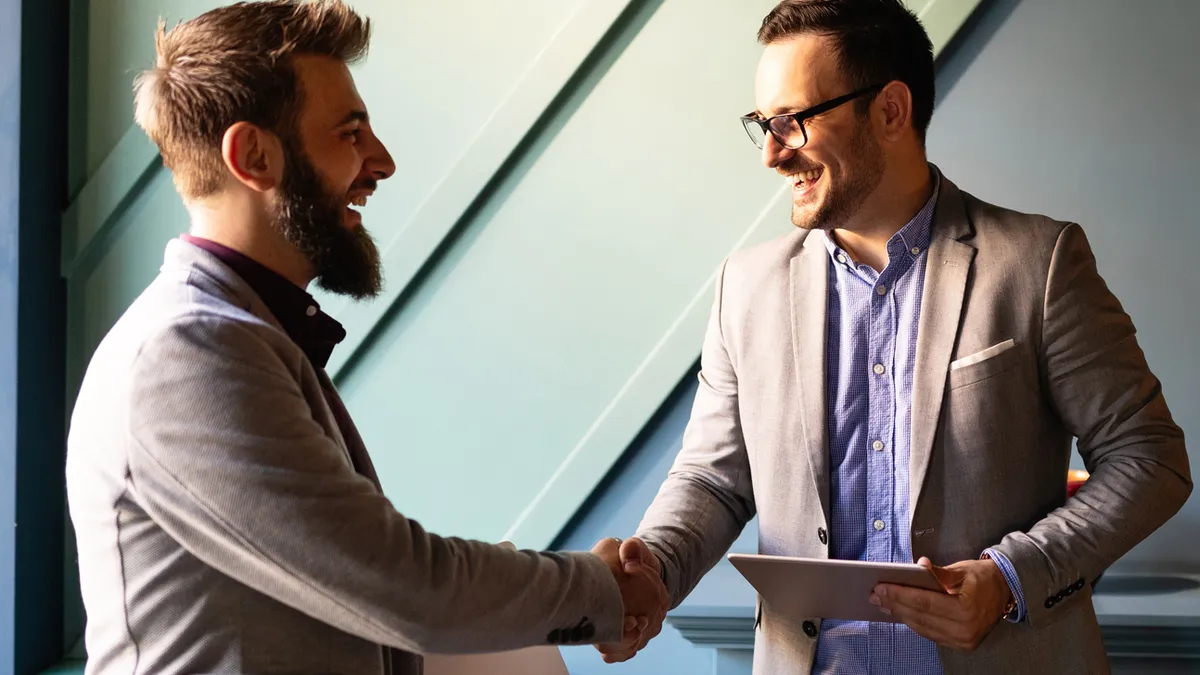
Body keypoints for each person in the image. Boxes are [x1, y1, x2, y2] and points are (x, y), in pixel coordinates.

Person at [64, 2, 666, 673]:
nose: (382, 162)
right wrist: (603, 588)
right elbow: (404, 586)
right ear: (254, 156)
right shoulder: (187, 354)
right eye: (351, 134)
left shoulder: (247, 334)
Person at [597, 0, 1192, 673]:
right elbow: (713, 479)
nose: (770, 153)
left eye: (791, 121)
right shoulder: (746, 286)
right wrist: (651, 569)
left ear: (889, 111)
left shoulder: (1039, 263)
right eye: (763, 124)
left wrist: (1007, 579)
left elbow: (1150, 459)